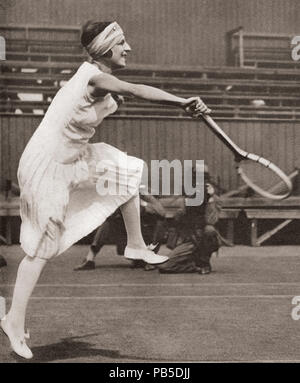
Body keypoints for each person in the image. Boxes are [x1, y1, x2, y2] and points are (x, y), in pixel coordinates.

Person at [0, 20, 211, 359]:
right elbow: (136, 90)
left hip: (74, 156)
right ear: (104, 48)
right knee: (40, 250)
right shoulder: (95, 78)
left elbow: (111, 99)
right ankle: (13, 321)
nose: (128, 48)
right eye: (122, 42)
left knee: (127, 170)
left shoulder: (97, 81)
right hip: (48, 165)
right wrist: (182, 101)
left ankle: (136, 245)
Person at [74, 186, 167, 271]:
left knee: (160, 222)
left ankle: (149, 259)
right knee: (108, 222)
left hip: (146, 239)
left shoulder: (143, 194)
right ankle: (89, 259)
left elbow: (162, 213)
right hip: (127, 240)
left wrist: (144, 207)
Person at [157, 165, 221, 274]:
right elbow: (178, 217)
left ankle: (204, 263)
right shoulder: (189, 196)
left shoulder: (214, 199)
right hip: (189, 239)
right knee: (165, 266)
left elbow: (211, 220)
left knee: (209, 230)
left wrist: (210, 198)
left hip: (203, 237)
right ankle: (194, 266)